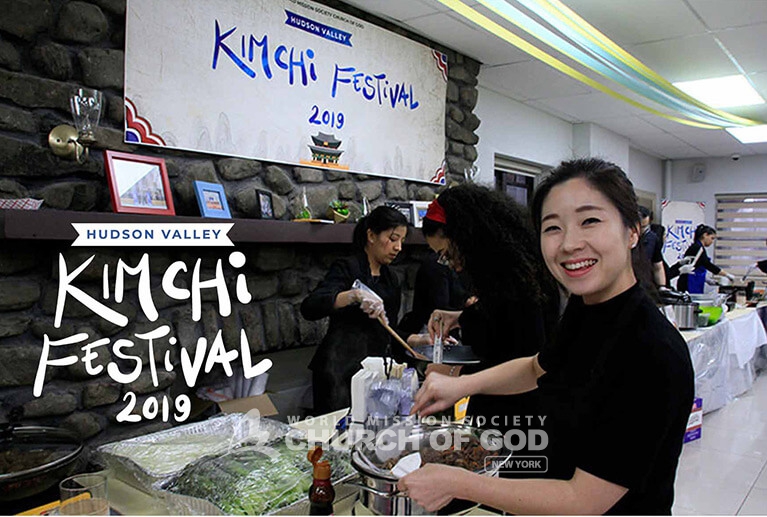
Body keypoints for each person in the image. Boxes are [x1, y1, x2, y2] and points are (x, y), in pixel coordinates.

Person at [399, 158, 694, 515]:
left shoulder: (651, 351)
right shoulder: (587, 310)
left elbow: (582, 501)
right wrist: (460, 386)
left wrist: (459, 482)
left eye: (590, 221)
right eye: (552, 227)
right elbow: (537, 369)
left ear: (632, 231)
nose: (569, 244)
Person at [406, 184, 559, 438]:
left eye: (447, 254)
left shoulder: (518, 283)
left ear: (467, 237)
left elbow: (526, 362)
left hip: (516, 418)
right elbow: (498, 317)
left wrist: (454, 375)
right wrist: (459, 317)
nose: (450, 264)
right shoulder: (507, 271)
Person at [300, 206, 408, 414]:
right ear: (371, 235)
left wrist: (417, 341)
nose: (398, 247)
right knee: (337, 439)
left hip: (374, 373)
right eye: (393, 238)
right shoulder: (347, 268)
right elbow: (310, 307)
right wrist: (353, 295)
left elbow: (389, 328)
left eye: (401, 240)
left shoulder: (391, 278)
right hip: (338, 372)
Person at [676, 224, 733, 293]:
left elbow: (698, 265)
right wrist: (726, 274)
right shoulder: (697, 248)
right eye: (712, 238)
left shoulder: (699, 248)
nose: (712, 241)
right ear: (705, 235)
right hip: (689, 282)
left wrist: (707, 280)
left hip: (694, 280)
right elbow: (707, 264)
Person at [638, 207, 666, 287]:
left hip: (645, 282)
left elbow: (658, 267)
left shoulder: (652, 238)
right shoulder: (625, 236)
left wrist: (662, 287)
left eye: (645, 227)